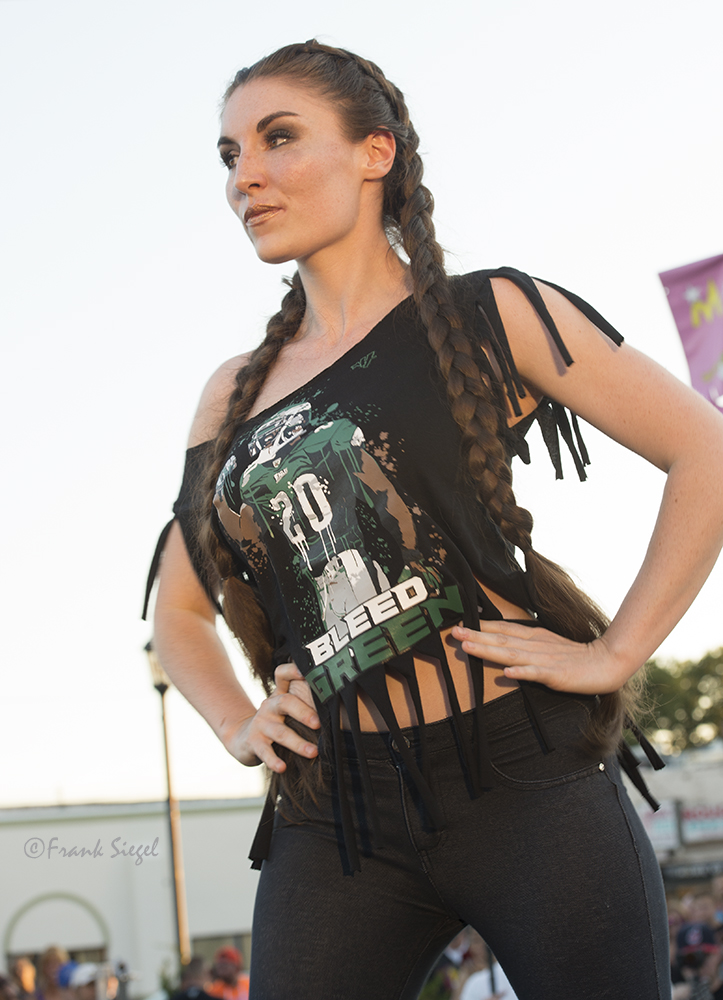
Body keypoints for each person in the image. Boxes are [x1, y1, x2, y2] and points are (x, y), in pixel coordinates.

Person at [146, 39, 723, 1000]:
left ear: (375, 153)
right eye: (229, 155)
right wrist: (237, 722)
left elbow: (703, 450)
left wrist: (616, 652)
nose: (246, 174)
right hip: (338, 813)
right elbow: (178, 610)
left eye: (278, 138)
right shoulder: (229, 399)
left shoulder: (486, 312)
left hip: (525, 776)